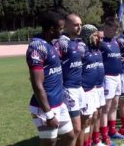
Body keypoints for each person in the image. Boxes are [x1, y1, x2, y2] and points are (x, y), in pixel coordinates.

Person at [26, 11, 74, 146]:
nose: (63, 31)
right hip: (45, 107)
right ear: (52, 29)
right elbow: (36, 84)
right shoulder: (37, 47)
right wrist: (48, 114)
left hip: (59, 102)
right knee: (49, 141)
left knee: (69, 136)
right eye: (61, 28)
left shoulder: (52, 43)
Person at [54, 13, 85, 146]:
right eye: (76, 25)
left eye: (81, 25)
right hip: (68, 89)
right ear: (66, 25)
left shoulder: (78, 42)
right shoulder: (61, 43)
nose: (79, 27)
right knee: (75, 128)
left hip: (79, 88)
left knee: (80, 127)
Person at [100, 17, 124, 144]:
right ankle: (104, 135)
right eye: (114, 29)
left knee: (114, 105)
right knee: (106, 108)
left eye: (117, 29)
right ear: (106, 28)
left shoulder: (115, 42)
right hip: (107, 78)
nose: (116, 32)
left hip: (118, 76)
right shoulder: (101, 42)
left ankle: (112, 130)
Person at [79, 24, 105, 146]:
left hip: (95, 88)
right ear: (88, 35)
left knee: (94, 117)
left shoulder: (94, 49)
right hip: (85, 90)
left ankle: (92, 142)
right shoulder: (81, 49)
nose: (98, 38)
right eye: (95, 35)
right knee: (85, 121)